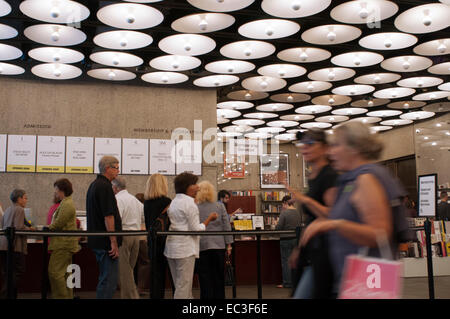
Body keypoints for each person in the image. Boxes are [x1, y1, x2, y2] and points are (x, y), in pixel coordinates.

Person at [300, 121, 408, 298]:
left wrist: (334, 224)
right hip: (352, 278)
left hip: (366, 279)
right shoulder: (353, 179)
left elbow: (378, 233)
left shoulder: (366, 179)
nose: (330, 151)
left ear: (354, 148)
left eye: (336, 145)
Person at [287, 128, 338, 299]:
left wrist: (305, 199)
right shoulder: (312, 176)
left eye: (310, 143)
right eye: (302, 144)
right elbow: (310, 220)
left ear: (324, 148)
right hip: (312, 252)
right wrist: (300, 249)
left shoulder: (329, 175)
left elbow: (334, 215)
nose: (304, 148)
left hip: (327, 253)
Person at [164, 172, 218, 299]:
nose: (198, 187)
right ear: (187, 186)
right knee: (184, 286)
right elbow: (196, 230)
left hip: (171, 247)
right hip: (185, 250)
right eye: (194, 184)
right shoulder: (190, 204)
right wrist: (209, 219)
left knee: (180, 285)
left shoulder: (173, 201)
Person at [86, 156, 122, 299]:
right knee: (109, 281)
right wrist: (113, 241)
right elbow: (108, 216)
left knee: (105, 278)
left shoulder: (94, 185)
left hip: (98, 240)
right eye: (116, 168)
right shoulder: (105, 186)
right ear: (108, 168)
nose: (118, 171)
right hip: (106, 243)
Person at [196, 181, 233, 299]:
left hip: (202, 245)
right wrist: (229, 244)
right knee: (218, 275)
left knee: (204, 275)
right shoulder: (220, 206)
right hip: (218, 246)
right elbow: (226, 225)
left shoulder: (196, 206)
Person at [48, 178, 81, 299]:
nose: (55, 193)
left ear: (62, 190)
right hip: (66, 244)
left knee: (55, 273)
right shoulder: (66, 203)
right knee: (66, 274)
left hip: (62, 245)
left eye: (56, 190)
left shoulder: (66, 204)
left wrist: (47, 228)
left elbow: (58, 224)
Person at [112, 176, 143, 299]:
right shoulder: (134, 200)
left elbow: (116, 219)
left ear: (115, 187)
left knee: (125, 272)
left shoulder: (117, 199)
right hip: (136, 236)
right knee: (129, 270)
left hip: (124, 236)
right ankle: (132, 295)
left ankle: (131, 297)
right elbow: (143, 216)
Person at [0, 189, 33, 299]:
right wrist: (30, 229)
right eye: (25, 198)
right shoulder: (19, 209)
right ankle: (4, 294)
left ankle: (10, 295)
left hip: (4, 246)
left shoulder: (8, 210)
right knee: (19, 271)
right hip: (15, 247)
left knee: (8, 273)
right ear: (19, 199)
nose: (26, 200)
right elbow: (19, 228)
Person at [144, 173, 172, 299]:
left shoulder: (146, 203)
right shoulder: (167, 202)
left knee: (155, 273)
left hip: (151, 241)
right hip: (164, 241)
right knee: (167, 273)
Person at [275, 195, 302, 289]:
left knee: (286, 262)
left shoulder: (284, 213)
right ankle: (294, 282)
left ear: (285, 203)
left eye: (283, 204)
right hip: (295, 239)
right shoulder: (298, 213)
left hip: (285, 240)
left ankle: (287, 283)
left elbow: (278, 228)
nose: (282, 206)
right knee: (294, 261)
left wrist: (276, 223)